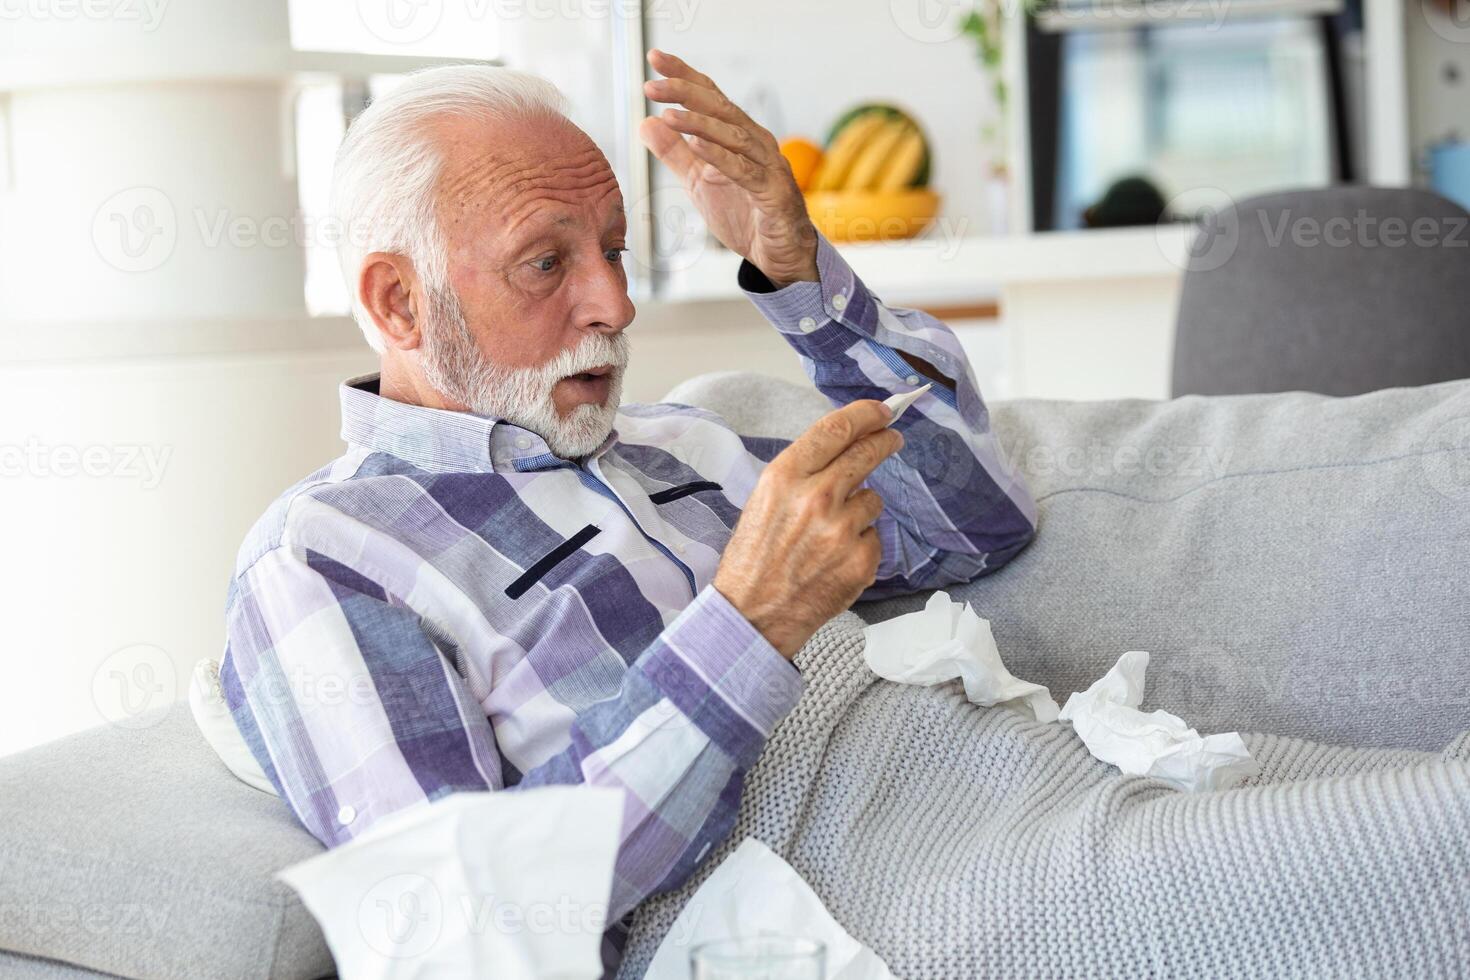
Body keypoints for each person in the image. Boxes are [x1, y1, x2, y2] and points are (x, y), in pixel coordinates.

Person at [220, 49, 1035, 968]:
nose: (615, 302)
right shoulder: (326, 556)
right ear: (399, 302)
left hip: (1018, 800)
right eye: (545, 261)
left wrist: (797, 271)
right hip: (885, 917)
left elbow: (974, 525)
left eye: (612, 249)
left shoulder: (682, 445)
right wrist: (748, 625)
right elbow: (461, 932)